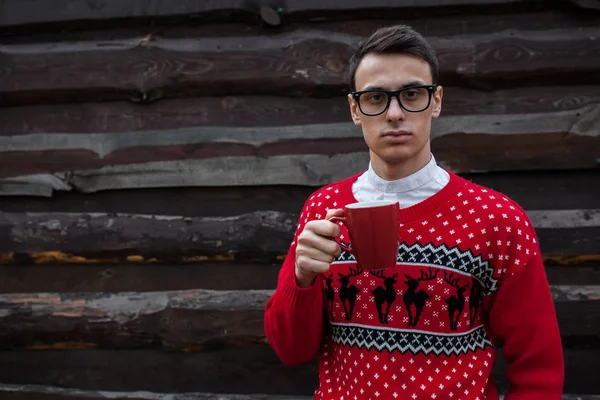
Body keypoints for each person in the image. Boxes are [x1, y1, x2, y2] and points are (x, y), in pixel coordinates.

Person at [263, 25, 564, 400]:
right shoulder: (323, 211)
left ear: (436, 101)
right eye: (375, 97)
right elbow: (291, 351)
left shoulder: (497, 220)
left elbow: (538, 367)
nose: (394, 113)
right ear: (355, 109)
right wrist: (301, 279)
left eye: (411, 94)